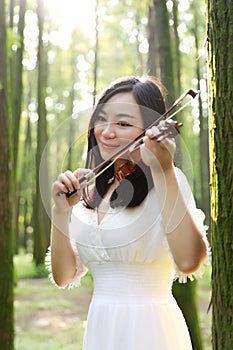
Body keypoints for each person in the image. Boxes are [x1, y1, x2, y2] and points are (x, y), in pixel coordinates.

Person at [46, 76, 210, 350]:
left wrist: (164, 169)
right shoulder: (92, 191)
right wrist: (61, 212)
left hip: (151, 330)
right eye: (102, 119)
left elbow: (190, 261)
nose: (107, 132)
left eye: (122, 123)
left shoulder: (168, 179)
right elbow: (64, 277)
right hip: (101, 330)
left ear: (150, 129)